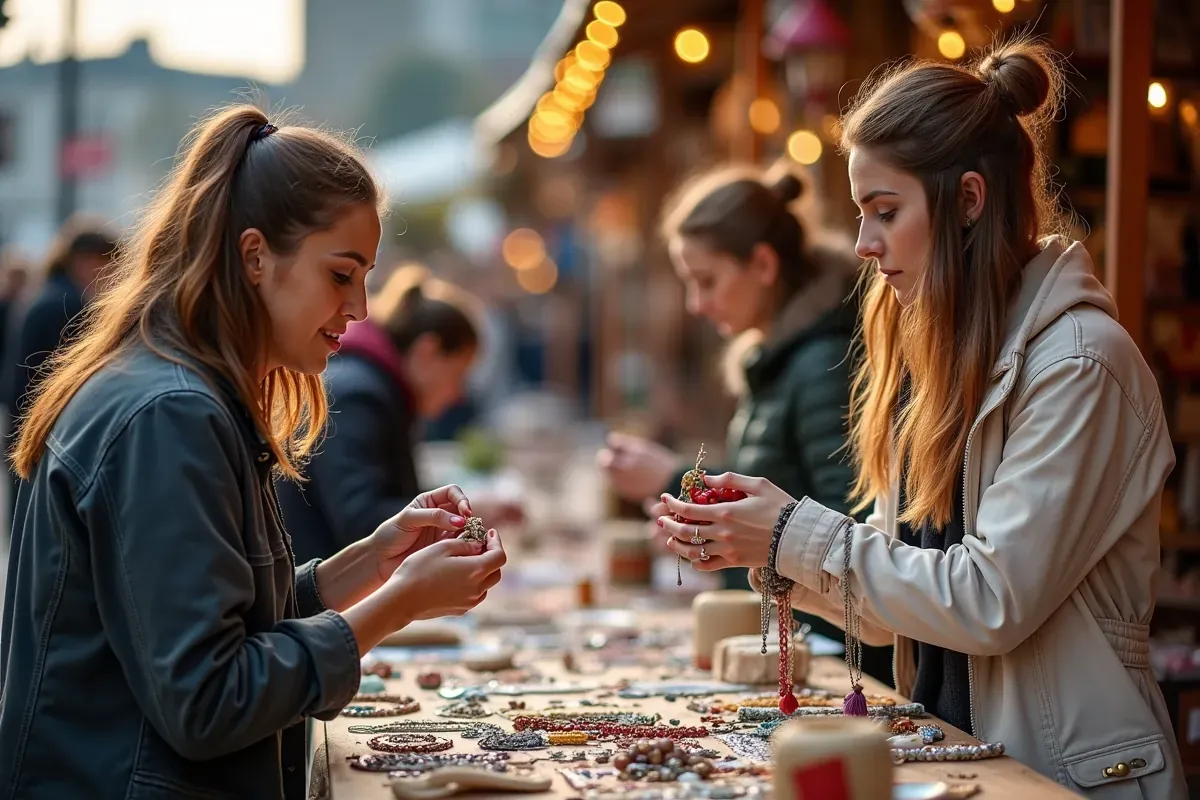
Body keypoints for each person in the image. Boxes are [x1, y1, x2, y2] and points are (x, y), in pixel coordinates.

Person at [655, 39, 1186, 797]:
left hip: (1067, 778)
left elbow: (987, 600)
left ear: (969, 201)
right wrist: (762, 548)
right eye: (861, 213)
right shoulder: (944, 356)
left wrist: (792, 531)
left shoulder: (1079, 367)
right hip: (968, 761)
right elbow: (892, 612)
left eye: (885, 211)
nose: (865, 244)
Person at [0, 106, 506, 799]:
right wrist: (398, 603)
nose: (360, 307)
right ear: (255, 256)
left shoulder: (182, 390)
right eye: (340, 274)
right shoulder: (169, 414)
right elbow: (209, 700)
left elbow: (215, 620)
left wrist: (371, 560)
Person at [597, 163, 893, 682]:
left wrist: (674, 482)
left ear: (761, 263)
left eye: (706, 281)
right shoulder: (780, 359)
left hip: (838, 662)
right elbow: (782, 504)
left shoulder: (822, 363)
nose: (696, 304)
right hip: (798, 647)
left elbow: (847, 529)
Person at [277, 264, 523, 565]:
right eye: (458, 375)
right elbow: (364, 523)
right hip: (320, 600)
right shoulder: (358, 396)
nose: (459, 394)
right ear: (427, 351)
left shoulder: (377, 388)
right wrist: (463, 516)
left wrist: (466, 508)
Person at [2, 219, 115, 523]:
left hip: (29, 425)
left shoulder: (48, 295)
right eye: (107, 263)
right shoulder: (66, 304)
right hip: (47, 431)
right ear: (85, 261)